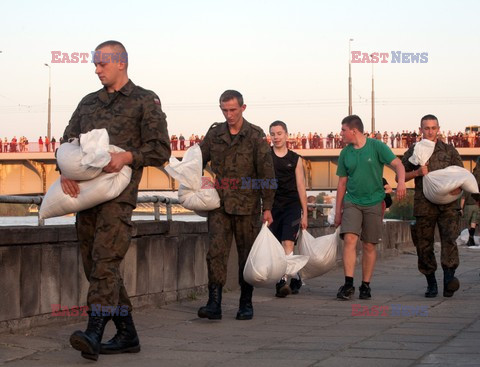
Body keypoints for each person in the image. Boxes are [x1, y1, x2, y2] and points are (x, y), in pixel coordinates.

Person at [60, 40, 170, 360]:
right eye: (94, 64)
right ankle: (126, 334)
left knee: (106, 260)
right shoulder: (88, 102)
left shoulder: (145, 101)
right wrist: (64, 169)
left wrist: (127, 157)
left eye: (102, 64)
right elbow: (68, 140)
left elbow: (161, 150)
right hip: (85, 196)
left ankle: (94, 332)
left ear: (121, 63)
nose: (96, 70)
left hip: (118, 196)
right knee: (94, 264)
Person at [198, 90, 275, 321]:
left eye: (232, 109)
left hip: (247, 205)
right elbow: (198, 159)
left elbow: (266, 172)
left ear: (243, 107)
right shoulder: (214, 134)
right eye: (224, 110)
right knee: (216, 254)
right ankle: (214, 303)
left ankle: (246, 302)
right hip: (219, 204)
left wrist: (268, 206)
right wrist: (194, 177)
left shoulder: (255, 135)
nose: (229, 114)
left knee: (246, 256)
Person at [335, 115, 406, 300]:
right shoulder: (345, 153)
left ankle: (365, 285)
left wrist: (401, 183)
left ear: (354, 130)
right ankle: (348, 284)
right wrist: (337, 212)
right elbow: (342, 183)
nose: (340, 133)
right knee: (349, 239)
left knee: (369, 244)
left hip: (374, 201)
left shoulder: (377, 147)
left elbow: (398, 164)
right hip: (352, 201)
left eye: (343, 130)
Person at [401, 114, 463, 298]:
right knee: (423, 244)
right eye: (426, 128)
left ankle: (449, 279)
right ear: (421, 130)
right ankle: (431, 283)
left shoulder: (449, 150)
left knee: (450, 240)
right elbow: (400, 176)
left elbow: (461, 174)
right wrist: (418, 172)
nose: (430, 131)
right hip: (424, 204)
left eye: (433, 128)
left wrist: (457, 188)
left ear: (438, 129)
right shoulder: (414, 151)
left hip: (448, 205)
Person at [268, 120, 308, 297]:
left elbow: (301, 186)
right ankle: (296, 275)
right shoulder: (266, 157)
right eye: (273, 134)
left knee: (288, 242)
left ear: (286, 135)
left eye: (279, 133)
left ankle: (282, 280)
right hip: (274, 206)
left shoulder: (295, 159)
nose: (276, 137)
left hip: (292, 205)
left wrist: (305, 213)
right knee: (277, 245)